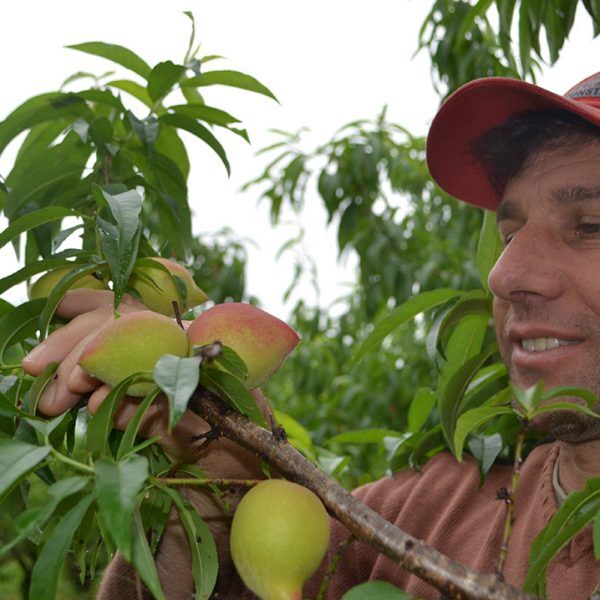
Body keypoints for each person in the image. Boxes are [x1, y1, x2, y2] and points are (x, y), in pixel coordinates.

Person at [22, 72, 600, 599]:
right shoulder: (427, 517)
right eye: (510, 231)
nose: (505, 273)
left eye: (591, 226)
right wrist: (210, 495)